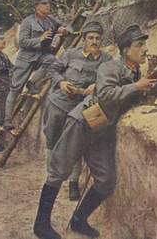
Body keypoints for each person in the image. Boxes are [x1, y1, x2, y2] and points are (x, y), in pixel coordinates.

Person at [33, 24, 157, 239]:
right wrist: (137, 87)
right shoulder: (110, 67)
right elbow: (107, 95)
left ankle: (79, 220)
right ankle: (41, 225)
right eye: (139, 45)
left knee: (106, 180)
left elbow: (127, 97)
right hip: (82, 122)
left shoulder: (134, 71)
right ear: (126, 50)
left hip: (102, 130)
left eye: (143, 45)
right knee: (58, 171)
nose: (144, 49)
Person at [43, 21, 112, 201]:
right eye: (90, 38)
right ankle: (51, 180)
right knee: (52, 140)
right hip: (59, 103)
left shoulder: (107, 60)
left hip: (82, 108)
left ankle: (73, 183)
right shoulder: (70, 54)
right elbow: (52, 69)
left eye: (97, 38)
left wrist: (97, 86)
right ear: (84, 39)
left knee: (76, 144)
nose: (94, 41)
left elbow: (113, 79)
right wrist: (61, 82)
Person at [2, 0, 67, 130]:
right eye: (44, 3)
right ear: (36, 6)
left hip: (41, 55)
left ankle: (33, 82)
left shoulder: (51, 20)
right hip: (26, 58)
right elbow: (22, 42)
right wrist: (40, 39)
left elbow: (67, 27)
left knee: (53, 61)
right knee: (15, 88)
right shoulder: (28, 21)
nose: (48, 6)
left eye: (48, 3)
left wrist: (63, 30)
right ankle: (7, 120)